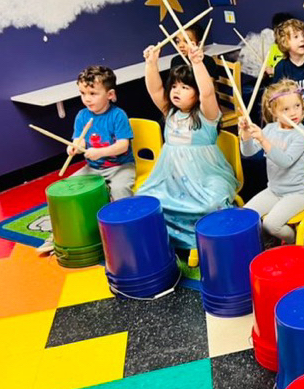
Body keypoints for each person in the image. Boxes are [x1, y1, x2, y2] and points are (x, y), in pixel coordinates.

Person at [137, 42, 237, 266]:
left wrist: (198, 63)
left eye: (184, 87)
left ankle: (198, 242)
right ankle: (170, 240)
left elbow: (208, 92)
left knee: (210, 204)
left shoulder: (208, 114)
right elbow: (154, 90)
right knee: (148, 200)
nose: (176, 91)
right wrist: (151, 63)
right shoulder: (169, 112)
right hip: (171, 178)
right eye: (174, 86)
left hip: (206, 176)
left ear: (196, 93)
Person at [37, 65, 135, 255]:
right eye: (83, 93)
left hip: (120, 166)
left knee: (120, 189)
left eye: (93, 93)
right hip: (93, 168)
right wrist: (72, 148)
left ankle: (125, 233)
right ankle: (60, 235)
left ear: (110, 94)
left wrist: (101, 152)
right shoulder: (82, 116)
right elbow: (78, 139)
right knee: (67, 188)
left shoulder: (117, 115)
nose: (87, 98)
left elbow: (123, 146)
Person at [239, 79, 304, 245]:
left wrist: (263, 140)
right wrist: (245, 134)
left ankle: (297, 239)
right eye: (286, 109)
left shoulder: (302, 134)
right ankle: (267, 244)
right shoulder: (270, 129)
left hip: (298, 193)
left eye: (297, 106)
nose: (294, 112)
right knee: (247, 215)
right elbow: (248, 152)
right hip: (274, 190)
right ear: (274, 112)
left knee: (271, 225)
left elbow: (285, 162)